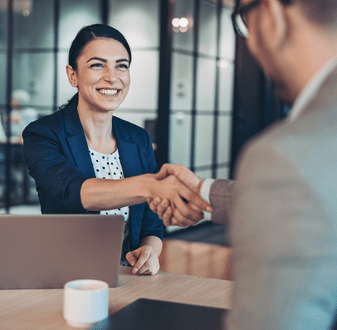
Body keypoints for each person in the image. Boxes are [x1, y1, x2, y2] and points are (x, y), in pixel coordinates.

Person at [148, 0, 337, 328]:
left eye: (243, 23)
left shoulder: (286, 155)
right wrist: (202, 192)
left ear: (273, 15)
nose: (249, 43)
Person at [23, 24, 211, 276]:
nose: (112, 77)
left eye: (121, 65)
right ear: (73, 75)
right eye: (97, 65)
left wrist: (149, 250)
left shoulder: (137, 138)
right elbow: (74, 190)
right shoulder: (42, 133)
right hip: (67, 277)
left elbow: (151, 223)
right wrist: (150, 185)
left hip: (128, 277)